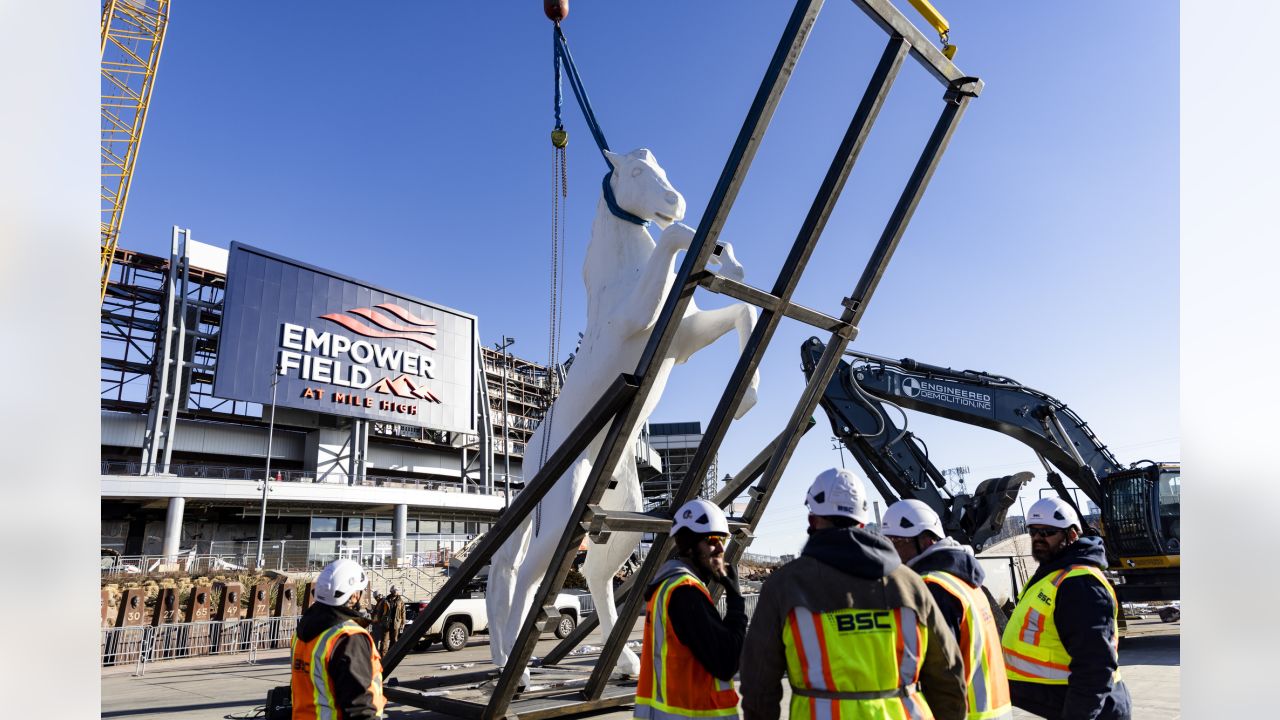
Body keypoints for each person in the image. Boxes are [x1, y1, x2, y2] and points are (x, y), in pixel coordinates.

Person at [739, 468, 967, 720]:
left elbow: (759, 683)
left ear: (813, 521)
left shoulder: (785, 585)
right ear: (862, 522)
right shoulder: (910, 584)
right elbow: (948, 675)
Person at [1001, 497, 1131, 720]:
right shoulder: (1054, 575)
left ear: (1072, 535)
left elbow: (1095, 667)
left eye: (1048, 532)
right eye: (1033, 531)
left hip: (1092, 711)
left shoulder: (1079, 584)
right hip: (1060, 703)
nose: (1038, 539)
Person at [883, 499, 1013, 719]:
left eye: (897, 541)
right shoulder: (964, 581)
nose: (893, 551)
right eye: (888, 542)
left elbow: (935, 672)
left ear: (924, 539)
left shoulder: (932, 588)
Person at [634, 498, 747, 720]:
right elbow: (726, 662)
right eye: (712, 540)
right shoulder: (686, 592)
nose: (721, 548)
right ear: (689, 545)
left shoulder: (669, 587)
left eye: (722, 538)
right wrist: (735, 598)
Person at [291, 558, 386, 719]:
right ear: (354, 595)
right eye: (361, 591)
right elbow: (359, 707)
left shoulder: (304, 631)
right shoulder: (349, 637)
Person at [385, 585, 406, 652]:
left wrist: (403, 622)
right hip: (387, 622)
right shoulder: (386, 599)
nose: (395, 592)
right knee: (386, 639)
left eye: (396, 591)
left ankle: (393, 652)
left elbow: (403, 612)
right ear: (391, 591)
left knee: (394, 639)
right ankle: (388, 652)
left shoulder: (400, 601)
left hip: (396, 622)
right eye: (394, 590)